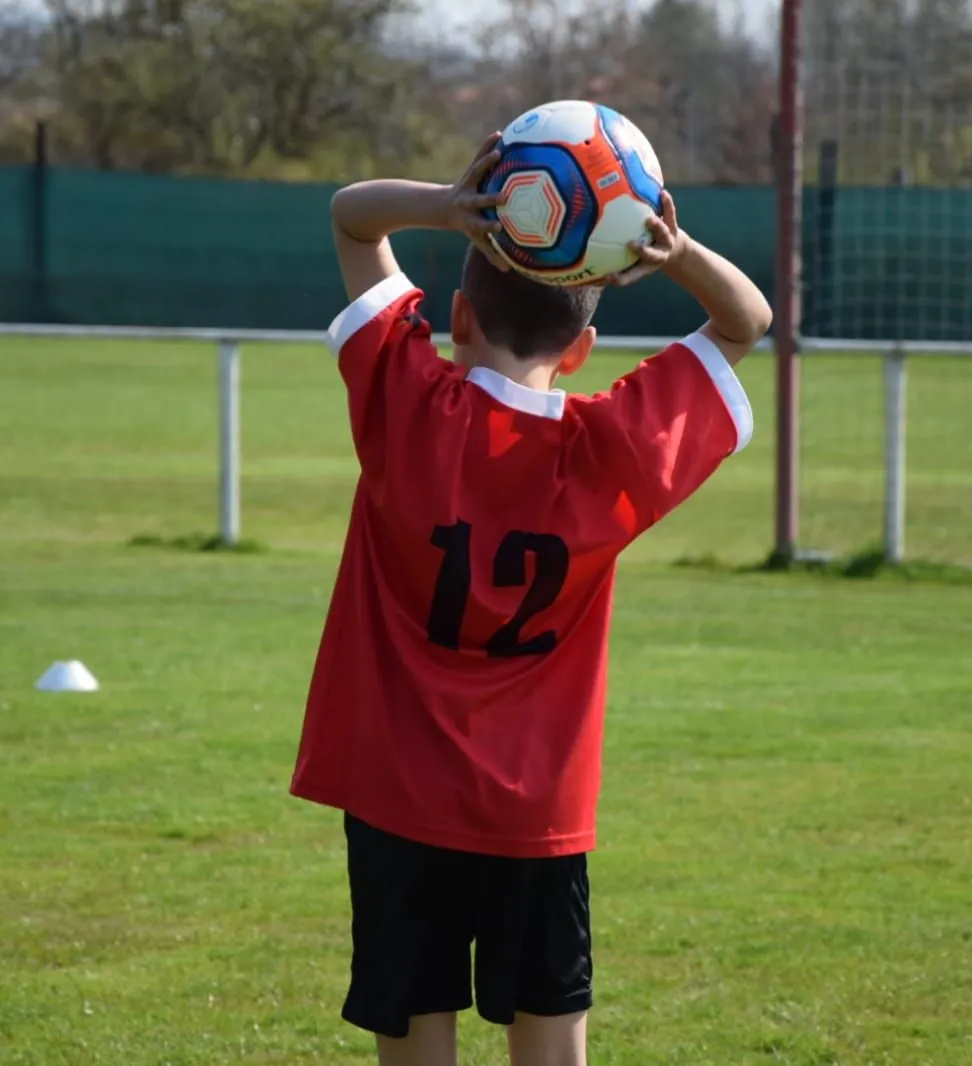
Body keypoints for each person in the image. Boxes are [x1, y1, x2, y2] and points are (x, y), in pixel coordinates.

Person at [288, 134, 772, 1066]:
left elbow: (351, 216)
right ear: (583, 348)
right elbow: (745, 319)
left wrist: (448, 206)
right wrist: (671, 252)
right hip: (536, 812)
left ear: (457, 316)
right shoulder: (615, 452)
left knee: (414, 1036)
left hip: (395, 793)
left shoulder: (405, 403)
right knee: (549, 1047)